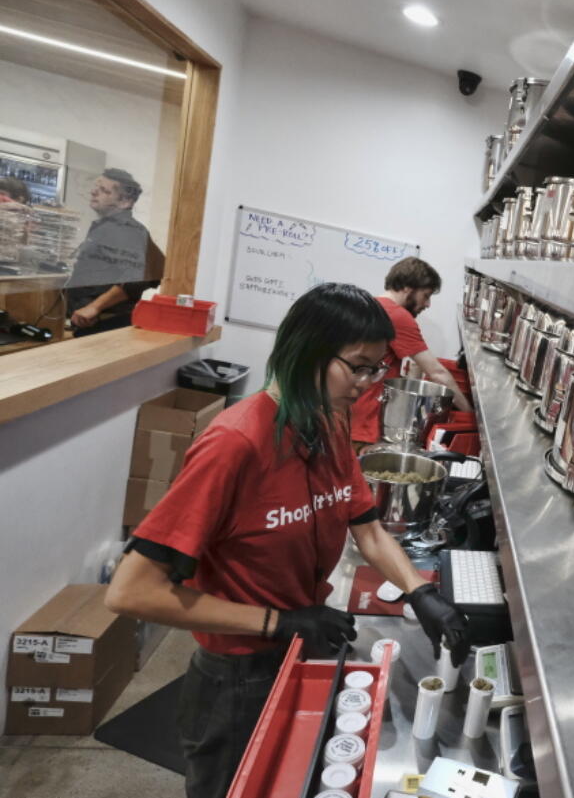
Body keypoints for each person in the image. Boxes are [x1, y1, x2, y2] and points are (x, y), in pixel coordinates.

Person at [105, 283, 470, 798]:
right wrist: (280, 620)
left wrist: (420, 593)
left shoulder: (330, 422)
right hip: (235, 675)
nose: (368, 384)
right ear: (307, 352)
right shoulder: (235, 444)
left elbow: (364, 525)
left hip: (293, 646)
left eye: (377, 367)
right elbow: (130, 591)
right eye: (358, 367)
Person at [350, 256, 473, 451]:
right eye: (426, 295)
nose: (428, 304)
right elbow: (438, 373)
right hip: (364, 421)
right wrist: (470, 415)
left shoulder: (372, 305)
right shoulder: (398, 316)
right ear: (408, 288)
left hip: (351, 414)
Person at [64, 168, 164, 335]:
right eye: (96, 187)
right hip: (91, 322)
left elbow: (136, 280)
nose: (94, 192)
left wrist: (94, 307)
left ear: (125, 202)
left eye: (104, 190)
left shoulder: (127, 230)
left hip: (106, 323)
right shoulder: (106, 227)